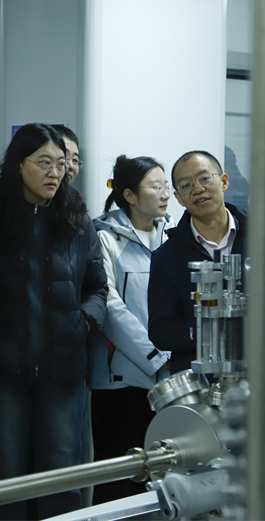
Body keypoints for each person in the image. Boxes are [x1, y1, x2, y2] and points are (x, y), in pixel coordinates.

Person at [0, 123, 107, 520]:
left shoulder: (77, 219)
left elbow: (98, 287)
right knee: (4, 474)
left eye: (62, 163)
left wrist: (82, 321)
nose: (55, 172)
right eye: (44, 162)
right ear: (19, 164)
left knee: (61, 473)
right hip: (3, 368)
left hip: (63, 370)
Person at [147, 150, 265, 373]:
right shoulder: (166, 257)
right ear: (178, 197)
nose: (198, 189)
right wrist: (212, 330)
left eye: (204, 178)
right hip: (201, 381)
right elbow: (161, 331)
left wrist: (254, 327)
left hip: (264, 373)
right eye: (186, 185)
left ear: (224, 181)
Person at [90, 155, 174, 504]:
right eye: (156, 187)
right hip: (119, 381)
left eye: (166, 186)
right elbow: (110, 307)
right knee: (118, 477)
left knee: (159, 476)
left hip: (167, 378)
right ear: (129, 195)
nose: (165, 193)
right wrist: (154, 356)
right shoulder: (105, 238)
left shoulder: (171, 237)